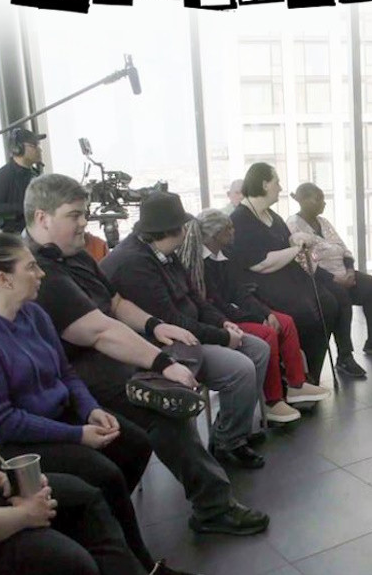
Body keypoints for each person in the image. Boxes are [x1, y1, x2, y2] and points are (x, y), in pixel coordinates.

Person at [23, 172, 269, 536]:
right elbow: (98, 331)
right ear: (42, 218)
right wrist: (162, 362)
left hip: (109, 352)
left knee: (167, 395)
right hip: (76, 368)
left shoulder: (75, 255)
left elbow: (116, 303)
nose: (84, 222)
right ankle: (212, 506)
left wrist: (154, 326)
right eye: (74, 215)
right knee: (164, 408)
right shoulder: (41, 269)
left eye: (84, 213)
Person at [0, 233, 197, 575]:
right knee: (105, 477)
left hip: (54, 418)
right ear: (4, 279)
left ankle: (101, 536)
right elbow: (0, 421)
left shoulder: (34, 314)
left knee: (135, 445)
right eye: (31, 267)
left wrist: (90, 410)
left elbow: (66, 373)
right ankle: (137, 563)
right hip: (6, 442)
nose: (41, 273)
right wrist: (77, 435)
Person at [100, 192, 270, 468]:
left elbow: (195, 299)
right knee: (241, 368)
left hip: (192, 335)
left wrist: (222, 323)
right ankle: (229, 443)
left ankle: (229, 431)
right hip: (168, 348)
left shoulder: (166, 254)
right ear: (173, 230)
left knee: (258, 349)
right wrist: (223, 337)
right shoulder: (134, 263)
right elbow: (171, 322)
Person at [178, 209, 330, 424]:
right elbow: (215, 304)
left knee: (285, 322)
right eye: (228, 229)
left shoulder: (227, 256)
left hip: (236, 311)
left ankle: (296, 384)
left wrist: (265, 312)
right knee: (267, 334)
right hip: (220, 319)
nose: (233, 231)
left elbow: (239, 291)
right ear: (215, 234)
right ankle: (272, 400)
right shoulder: (198, 265)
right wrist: (257, 318)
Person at [228, 162, 367, 383]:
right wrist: (295, 249)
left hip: (288, 275)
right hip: (263, 282)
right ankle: (296, 375)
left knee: (332, 301)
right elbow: (259, 264)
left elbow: (285, 242)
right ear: (264, 184)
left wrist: (296, 239)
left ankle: (314, 371)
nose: (280, 188)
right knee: (308, 313)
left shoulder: (272, 216)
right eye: (276, 182)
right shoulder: (240, 219)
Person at [287, 183, 372, 358]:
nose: (324, 203)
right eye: (319, 199)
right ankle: (345, 356)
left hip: (343, 273)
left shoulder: (324, 222)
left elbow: (344, 249)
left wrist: (350, 272)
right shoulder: (293, 225)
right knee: (341, 296)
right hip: (319, 279)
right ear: (305, 201)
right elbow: (303, 262)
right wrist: (336, 279)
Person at [0, 128, 46, 233]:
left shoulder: (35, 174)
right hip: (11, 234)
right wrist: (25, 208)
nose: (39, 149)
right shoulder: (3, 175)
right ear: (18, 148)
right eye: (34, 145)